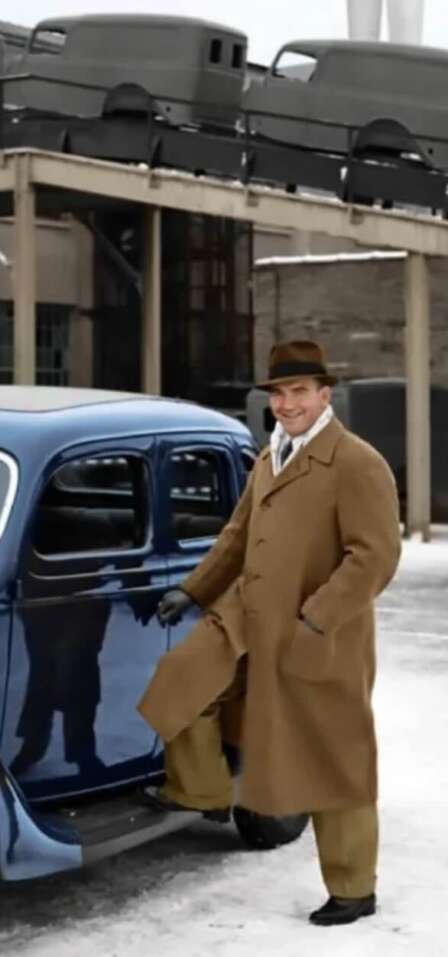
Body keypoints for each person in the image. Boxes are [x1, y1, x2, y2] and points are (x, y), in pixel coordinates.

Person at [138, 339, 402, 926]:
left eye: (299, 391)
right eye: (279, 393)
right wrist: (196, 590)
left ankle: (354, 889)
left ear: (325, 395)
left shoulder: (357, 462)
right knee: (182, 679)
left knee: (333, 759)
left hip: (318, 633)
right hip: (246, 616)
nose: (287, 404)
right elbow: (237, 535)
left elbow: (374, 556)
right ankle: (204, 791)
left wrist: (316, 618)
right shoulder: (269, 456)